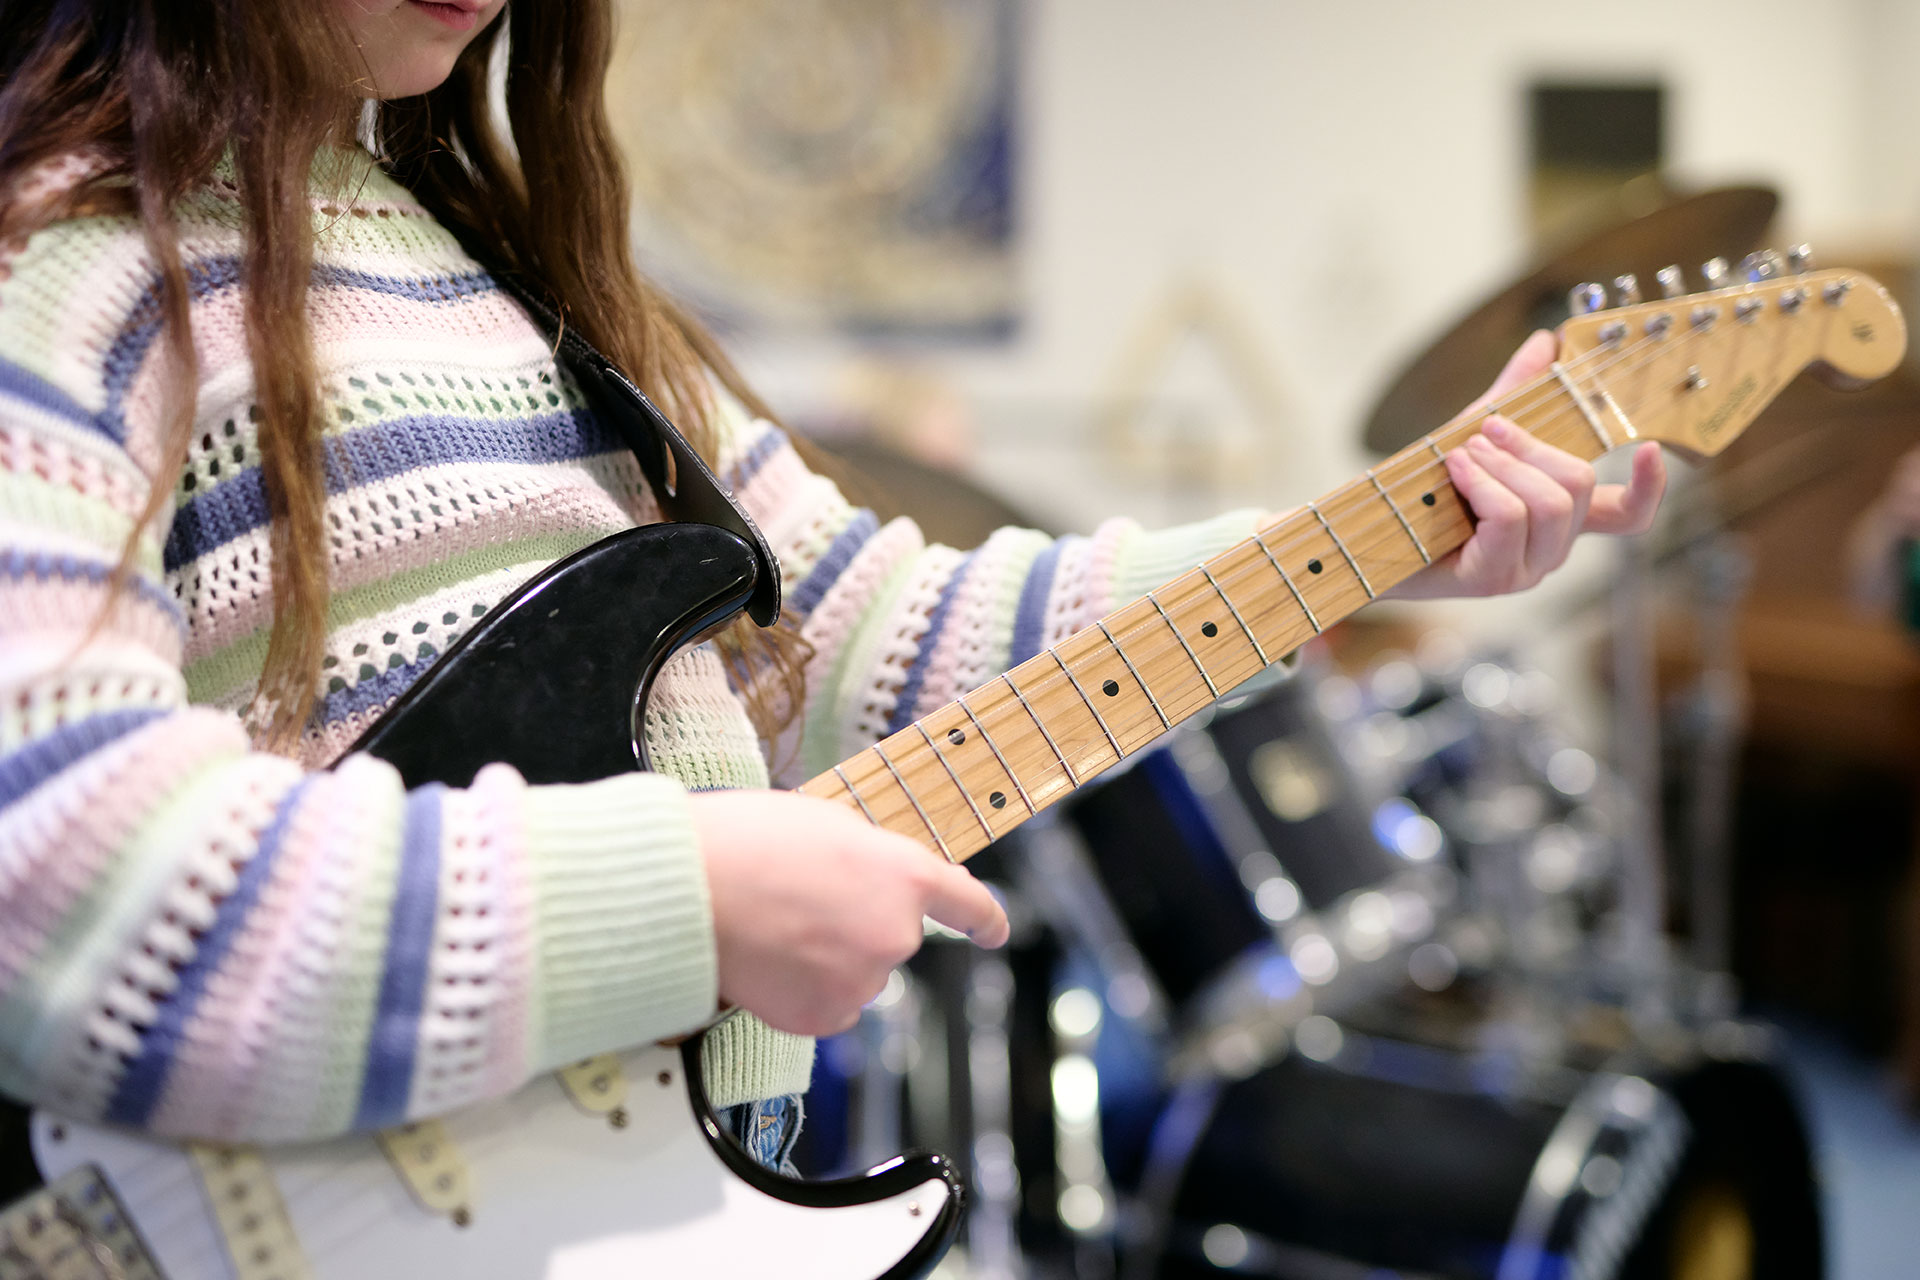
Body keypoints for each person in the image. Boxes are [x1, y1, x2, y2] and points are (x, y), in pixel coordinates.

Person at [0, 0, 1665, 1156]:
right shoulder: (57, 268)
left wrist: (1379, 539)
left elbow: (862, 633)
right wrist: (686, 900)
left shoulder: (503, 271)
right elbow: (59, 874)